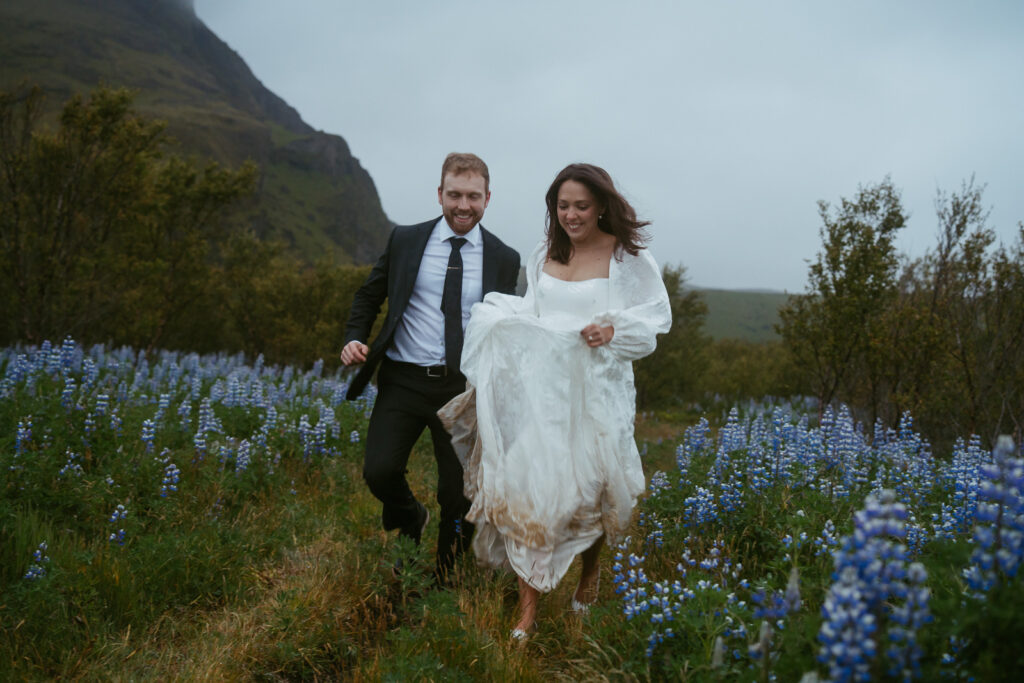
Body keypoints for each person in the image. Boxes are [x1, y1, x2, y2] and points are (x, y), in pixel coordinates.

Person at [439, 163, 672, 638]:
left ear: (602, 206)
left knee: (590, 495)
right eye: (562, 206)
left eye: (580, 206)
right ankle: (528, 610)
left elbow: (653, 323)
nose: (570, 215)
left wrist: (612, 329)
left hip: (598, 395)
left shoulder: (628, 257)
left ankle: (589, 570)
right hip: (544, 394)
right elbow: (534, 313)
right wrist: (502, 325)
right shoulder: (545, 252)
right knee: (536, 492)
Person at [340, 153, 521, 584]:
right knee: (379, 471)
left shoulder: (503, 257)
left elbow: (505, 324)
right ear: (440, 194)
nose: (463, 205)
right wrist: (354, 336)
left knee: (458, 495)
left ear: (488, 198)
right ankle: (411, 517)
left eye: (473, 196)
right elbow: (370, 294)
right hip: (402, 379)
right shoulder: (405, 239)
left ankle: (442, 580)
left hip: (462, 388)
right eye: (454, 195)